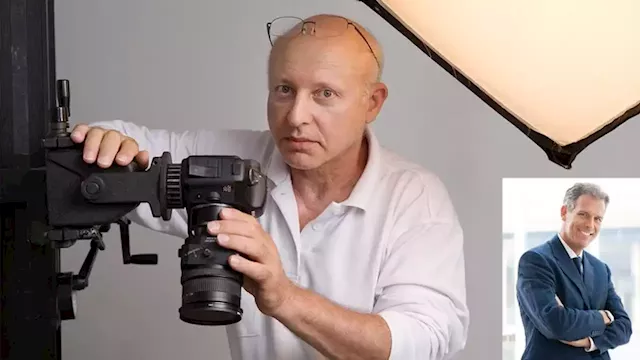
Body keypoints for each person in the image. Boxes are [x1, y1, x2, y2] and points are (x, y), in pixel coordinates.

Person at [70, 14, 469, 360]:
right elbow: (125, 145)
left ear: (373, 103)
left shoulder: (416, 200)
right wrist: (104, 144)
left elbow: (419, 341)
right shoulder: (228, 164)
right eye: (284, 90)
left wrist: (284, 297)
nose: (296, 117)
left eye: (324, 94)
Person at [516, 182, 633, 360]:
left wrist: (589, 342)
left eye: (597, 219)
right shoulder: (536, 261)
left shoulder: (601, 269)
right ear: (564, 212)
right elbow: (556, 323)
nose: (590, 225)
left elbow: (624, 327)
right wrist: (604, 317)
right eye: (583, 215)